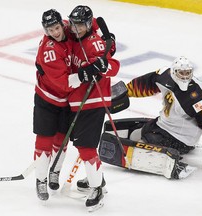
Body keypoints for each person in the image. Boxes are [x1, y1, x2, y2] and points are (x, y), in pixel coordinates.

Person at [98, 56, 202, 179]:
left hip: (181, 139)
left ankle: (168, 157)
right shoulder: (164, 76)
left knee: (147, 140)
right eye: (181, 73)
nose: (185, 77)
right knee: (141, 131)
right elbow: (147, 83)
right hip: (163, 124)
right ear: (174, 72)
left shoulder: (197, 97)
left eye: (188, 73)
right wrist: (125, 92)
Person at [67, 5, 120, 211]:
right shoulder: (74, 36)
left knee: (87, 148)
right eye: (74, 23)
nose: (77, 28)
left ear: (88, 24)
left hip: (93, 101)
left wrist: (102, 67)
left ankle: (96, 188)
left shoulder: (95, 43)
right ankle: (97, 179)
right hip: (78, 100)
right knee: (82, 145)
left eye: (81, 24)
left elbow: (113, 65)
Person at [33, 9, 78, 201]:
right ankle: (41, 179)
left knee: (62, 139)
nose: (56, 32)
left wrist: (103, 32)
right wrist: (85, 75)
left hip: (66, 101)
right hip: (47, 99)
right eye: (50, 30)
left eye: (57, 27)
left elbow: (89, 22)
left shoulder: (69, 26)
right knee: (44, 141)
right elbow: (64, 83)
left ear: (62, 24)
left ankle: (55, 171)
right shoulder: (49, 50)